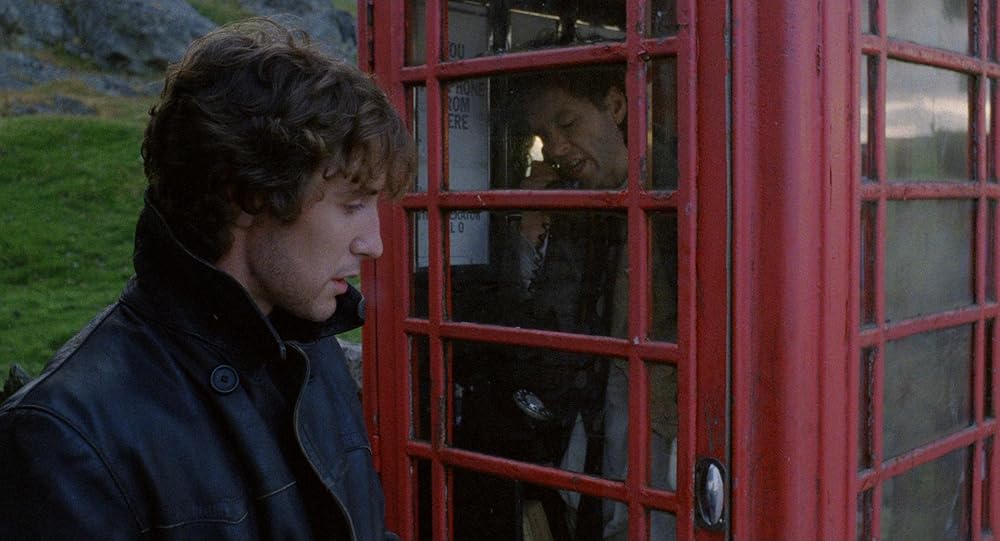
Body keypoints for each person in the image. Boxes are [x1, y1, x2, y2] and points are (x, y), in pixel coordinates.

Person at [0, 18, 414, 541]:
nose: (373, 244)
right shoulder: (65, 436)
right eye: (352, 205)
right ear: (249, 196)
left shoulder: (311, 354)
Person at [502, 65, 679, 540]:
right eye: (543, 134)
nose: (555, 148)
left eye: (568, 123)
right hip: (598, 410)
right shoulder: (580, 201)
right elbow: (537, 309)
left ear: (617, 107)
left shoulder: (680, 184)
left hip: (673, 424)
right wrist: (530, 225)